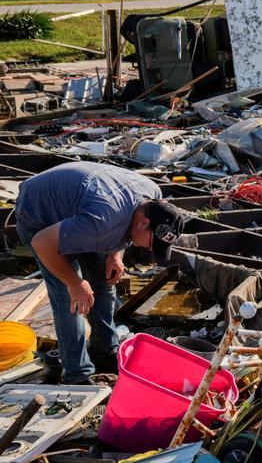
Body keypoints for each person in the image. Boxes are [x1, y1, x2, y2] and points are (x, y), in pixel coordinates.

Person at [14, 162, 187, 383]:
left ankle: (104, 351)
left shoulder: (152, 195)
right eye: (152, 243)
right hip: (40, 213)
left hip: (82, 210)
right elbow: (42, 243)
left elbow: (126, 218)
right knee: (70, 299)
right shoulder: (102, 221)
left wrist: (115, 254)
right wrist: (74, 282)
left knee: (104, 285)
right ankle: (77, 374)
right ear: (144, 223)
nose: (151, 250)